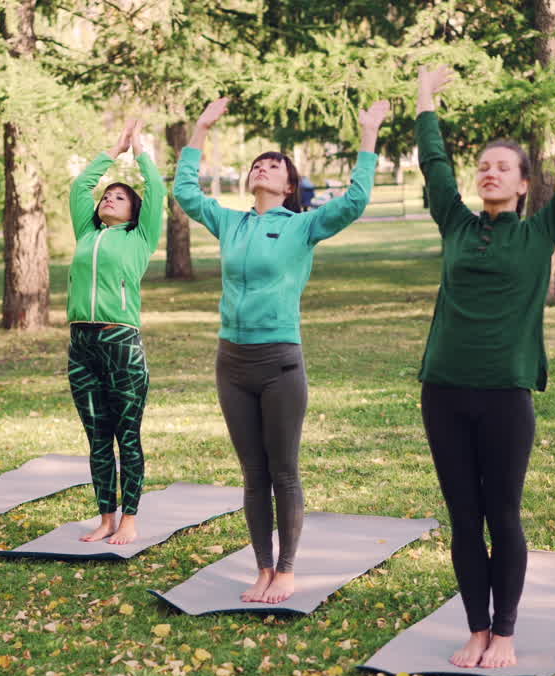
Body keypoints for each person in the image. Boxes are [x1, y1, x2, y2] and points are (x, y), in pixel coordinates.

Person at [414, 63, 555, 668]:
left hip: (506, 395)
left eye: (502, 167)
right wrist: (425, 96)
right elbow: (434, 164)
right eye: (483, 166)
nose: (489, 172)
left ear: (521, 184)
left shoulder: (540, 232)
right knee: (464, 519)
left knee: (503, 515)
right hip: (443, 390)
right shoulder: (456, 224)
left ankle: (506, 632)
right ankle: (477, 628)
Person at [175, 96, 391, 604]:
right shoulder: (230, 222)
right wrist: (201, 128)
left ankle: (288, 568)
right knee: (253, 475)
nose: (262, 168)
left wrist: (368, 136)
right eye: (258, 163)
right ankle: (263, 567)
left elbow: (355, 202)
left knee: (283, 471)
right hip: (231, 362)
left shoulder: (302, 225)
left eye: (274, 165)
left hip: (279, 362)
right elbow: (185, 191)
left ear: (289, 187)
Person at [67, 119, 166, 545]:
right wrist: (112, 151)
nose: (109, 198)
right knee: (97, 438)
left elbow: (156, 190)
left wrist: (138, 150)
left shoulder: (140, 237)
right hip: (81, 345)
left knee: (127, 436)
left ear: (134, 211)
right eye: (107, 195)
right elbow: (79, 188)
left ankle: (129, 519)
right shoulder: (87, 232)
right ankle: (106, 517)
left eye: (120, 196)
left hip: (120, 342)